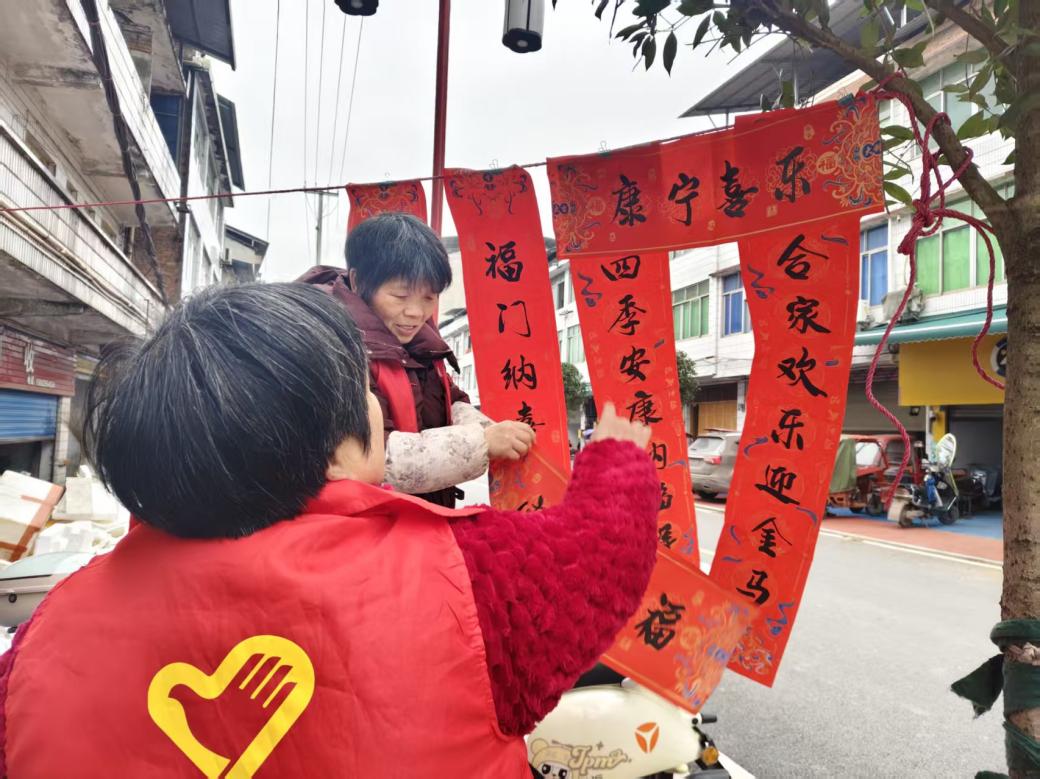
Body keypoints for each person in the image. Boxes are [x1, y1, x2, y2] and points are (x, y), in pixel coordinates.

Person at [0, 284, 660, 777]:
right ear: (334, 448)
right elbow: (599, 557)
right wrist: (618, 462)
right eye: (362, 389)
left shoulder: (43, 634)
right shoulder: (470, 576)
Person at [298, 213, 533, 507]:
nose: (416, 312)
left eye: (428, 298)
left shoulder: (420, 341)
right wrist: (482, 442)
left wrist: (495, 429)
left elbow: (450, 401)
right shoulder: (331, 346)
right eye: (400, 296)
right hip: (365, 521)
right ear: (357, 282)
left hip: (420, 518)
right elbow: (368, 457)